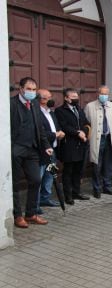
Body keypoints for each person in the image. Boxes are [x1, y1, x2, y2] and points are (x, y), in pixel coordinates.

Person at [10, 77, 52, 228]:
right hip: (16, 150)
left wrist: (46, 145)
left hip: (33, 149)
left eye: (34, 90)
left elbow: (39, 127)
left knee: (36, 180)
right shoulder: (11, 103)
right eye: (29, 89)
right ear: (20, 88)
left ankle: (31, 214)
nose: (32, 92)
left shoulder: (34, 103)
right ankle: (17, 215)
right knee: (14, 184)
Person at [55, 88, 90, 205]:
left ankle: (76, 192)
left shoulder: (79, 109)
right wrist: (77, 133)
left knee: (78, 171)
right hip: (69, 146)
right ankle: (68, 195)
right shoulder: (60, 111)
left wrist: (84, 132)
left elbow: (86, 123)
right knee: (68, 172)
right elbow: (64, 126)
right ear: (66, 98)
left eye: (77, 97)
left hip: (81, 145)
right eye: (73, 97)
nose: (76, 99)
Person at [84, 85, 112, 199]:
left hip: (109, 138)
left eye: (106, 94)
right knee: (97, 165)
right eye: (102, 94)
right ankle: (97, 188)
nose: (104, 96)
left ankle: (107, 187)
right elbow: (86, 122)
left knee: (108, 164)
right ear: (97, 94)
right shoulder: (90, 106)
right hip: (97, 139)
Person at [37, 89, 65, 213]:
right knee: (39, 177)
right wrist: (55, 134)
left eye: (50, 97)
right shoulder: (36, 113)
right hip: (41, 152)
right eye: (46, 98)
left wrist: (60, 133)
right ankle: (35, 204)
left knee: (50, 175)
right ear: (40, 100)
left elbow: (57, 127)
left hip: (52, 152)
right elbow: (40, 133)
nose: (50, 100)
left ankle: (45, 198)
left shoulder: (51, 112)